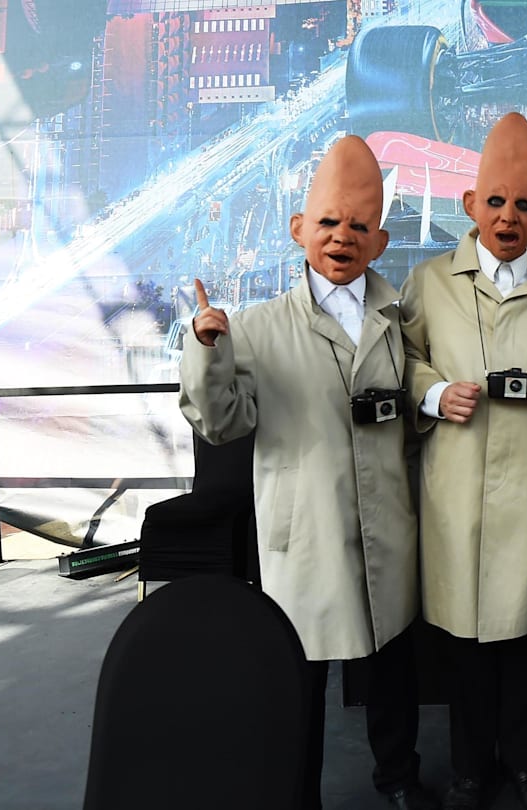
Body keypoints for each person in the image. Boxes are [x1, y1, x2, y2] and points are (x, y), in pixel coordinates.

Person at [179, 135, 433, 810]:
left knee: (390, 670)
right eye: (327, 222)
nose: (341, 237)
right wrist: (205, 353)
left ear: (378, 242)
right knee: (300, 677)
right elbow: (222, 422)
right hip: (309, 528)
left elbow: (413, 412)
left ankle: (399, 779)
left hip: (385, 521)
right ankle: (296, 793)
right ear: (299, 230)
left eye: (357, 226)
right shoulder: (258, 328)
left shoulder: (398, 320)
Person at [399, 113, 527, 810]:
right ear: (470, 205)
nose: (508, 217)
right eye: (496, 202)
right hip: (455, 486)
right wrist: (434, 393)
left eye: (523, 205)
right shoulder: (429, 282)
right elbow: (406, 363)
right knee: (465, 644)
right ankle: (471, 769)